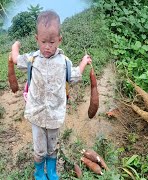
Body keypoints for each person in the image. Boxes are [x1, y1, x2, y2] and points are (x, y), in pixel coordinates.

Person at [11, 10, 92, 180]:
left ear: (59, 40)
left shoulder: (64, 62)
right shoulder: (33, 59)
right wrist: (14, 47)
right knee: (40, 147)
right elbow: (16, 59)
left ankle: (52, 171)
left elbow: (75, 74)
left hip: (55, 114)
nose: (47, 46)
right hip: (37, 113)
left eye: (52, 42)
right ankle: (39, 172)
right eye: (43, 42)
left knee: (52, 146)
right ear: (36, 39)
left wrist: (84, 62)